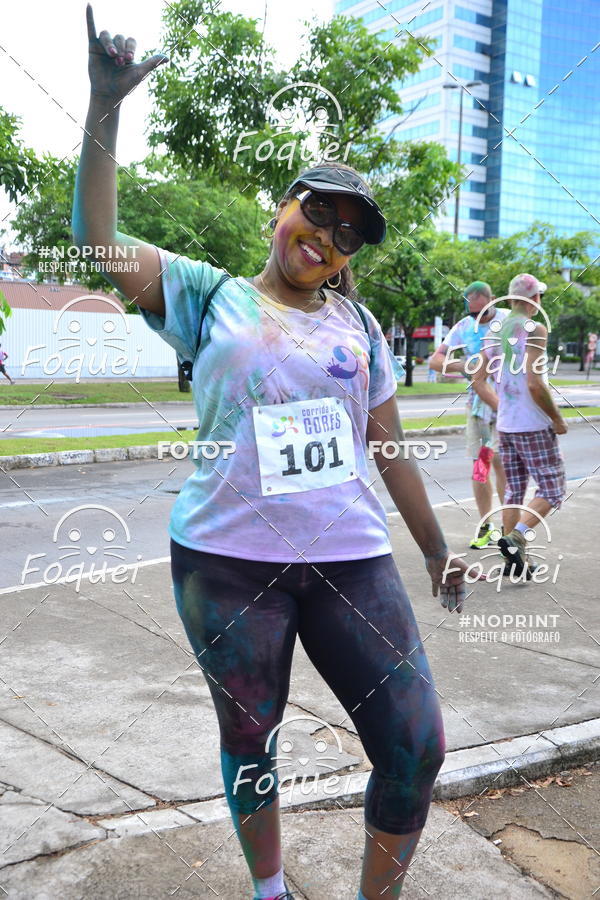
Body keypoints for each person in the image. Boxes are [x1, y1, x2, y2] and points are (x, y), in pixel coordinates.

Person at [72, 9, 477, 898]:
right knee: (252, 735)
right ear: (281, 209)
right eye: (316, 211)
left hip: (351, 560)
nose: (326, 235)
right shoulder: (206, 294)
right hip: (226, 562)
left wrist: (438, 546)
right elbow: (96, 241)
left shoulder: (362, 328)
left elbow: (390, 449)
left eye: (347, 233)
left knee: (416, 744)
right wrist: (104, 108)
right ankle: (270, 888)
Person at [471, 273, 567, 577]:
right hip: (533, 425)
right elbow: (535, 384)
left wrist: (504, 408)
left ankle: (516, 563)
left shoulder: (493, 331)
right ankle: (517, 537)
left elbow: (477, 380)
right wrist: (557, 418)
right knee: (553, 488)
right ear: (534, 299)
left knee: (514, 490)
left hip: (507, 426)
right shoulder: (535, 329)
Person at [430, 281, 507, 549]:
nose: (476, 318)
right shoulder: (463, 327)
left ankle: (509, 528)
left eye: (481, 312)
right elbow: (435, 361)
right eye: (472, 312)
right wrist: (464, 364)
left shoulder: (510, 321)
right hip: (479, 409)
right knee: (481, 468)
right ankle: (487, 526)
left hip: (508, 405)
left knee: (503, 466)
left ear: (493, 300)